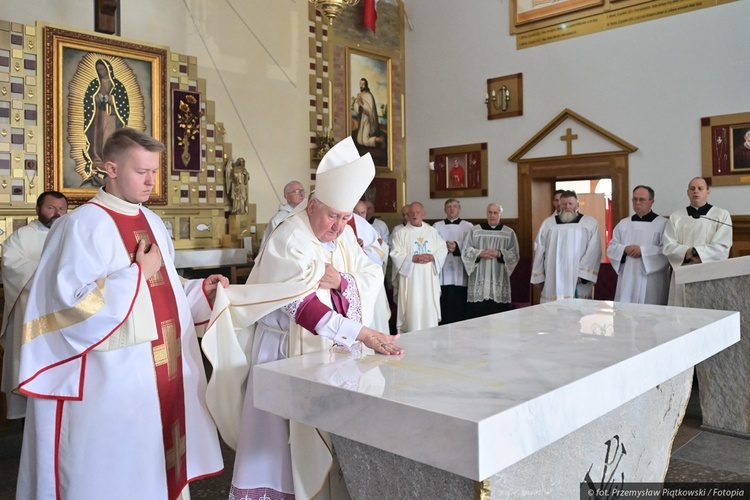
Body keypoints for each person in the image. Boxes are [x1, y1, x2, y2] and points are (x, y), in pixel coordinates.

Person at [16, 128, 226, 499]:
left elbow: (165, 289)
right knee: (110, 475)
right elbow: (68, 310)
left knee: (151, 470)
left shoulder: (153, 222)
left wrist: (199, 292)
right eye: (140, 171)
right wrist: (134, 276)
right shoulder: (80, 226)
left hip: (156, 378)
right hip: (107, 382)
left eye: (155, 172)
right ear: (110, 168)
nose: (150, 181)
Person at [201, 137, 403, 500]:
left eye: (346, 218)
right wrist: (363, 333)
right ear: (311, 205)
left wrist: (342, 281)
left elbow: (368, 273)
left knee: (321, 443)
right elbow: (305, 310)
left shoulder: (341, 237)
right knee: (277, 448)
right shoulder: (289, 237)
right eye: (333, 216)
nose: (340, 227)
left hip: (326, 354)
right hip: (283, 356)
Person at [0, 191, 68, 420]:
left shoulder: (70, 235)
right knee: (29, 367)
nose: (57, 213)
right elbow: (12, 265)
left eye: (62, 208)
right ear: (37, 209)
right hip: (30, 314)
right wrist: (53, 275)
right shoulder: (22, 237)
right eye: (51, 208)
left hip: (64, 316)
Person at [663, 177, 732, 306]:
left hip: (709, 270)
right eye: (692, 188)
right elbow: (668, 245)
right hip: (683, 269)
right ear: (687, 192)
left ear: (708, 192)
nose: (696, 191)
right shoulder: (676, 217)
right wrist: (687, 252)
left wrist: (698, 252)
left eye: (700, 188)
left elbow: (723, 246)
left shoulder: (721, 215)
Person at [531, 190, 601, 303]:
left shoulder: (589, 224)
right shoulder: (548, 224)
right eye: (564, 204)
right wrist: (539, 276)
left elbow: (594, 250)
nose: (567, 207)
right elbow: (539, 249)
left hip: (576, 278)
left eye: (570, 204)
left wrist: (583, 274)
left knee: (577, 314)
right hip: (552, 276)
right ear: (559, 205)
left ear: (577, 205)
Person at [390, 202, 448, 332]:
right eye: (412, 213)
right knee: (412, 308)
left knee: (428, 307)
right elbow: (395, 253)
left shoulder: (432, 232)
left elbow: (442, 248)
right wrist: (412, 258)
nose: (415, 215)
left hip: (428, 278)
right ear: (408, 216)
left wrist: (433, 257)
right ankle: (411, 332)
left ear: (423, 214)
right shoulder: (401, 234)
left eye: (417, 212)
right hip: (411, 279)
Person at [607, 185, 670, 305]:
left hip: (652, 280)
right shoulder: (623, 224)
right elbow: (612, 247)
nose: (637, 203)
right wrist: (624, 249)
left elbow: (667, 251)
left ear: (651, 202)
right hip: (628, 278)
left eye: (642, 200)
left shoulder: (663, 224)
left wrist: (643, 251)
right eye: (634, 199)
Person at [462, 203, 520, 317]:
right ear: (486, 213)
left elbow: (514, 255)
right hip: (479, 277)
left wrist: (499, 253)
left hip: (499, 277)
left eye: (495, 213)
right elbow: (466, 251)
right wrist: (479, 253)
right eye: (490, 212)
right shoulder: (475, 231)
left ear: (500, 215)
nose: (492, 215)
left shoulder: (508, 233)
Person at [82, 58, 129, 186]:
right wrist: (96, 98)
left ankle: (109, 159)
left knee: (108, 137)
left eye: (102, 69)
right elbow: (88, 100)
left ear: (108, 69)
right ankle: (97, 159)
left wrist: (110, 99)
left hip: (112, 117)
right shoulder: (94, 84)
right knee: (97, 138)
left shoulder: (117, 86)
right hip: (98, 116)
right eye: (98, 70)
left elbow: (123, 103)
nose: (101, 72)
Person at [433, 198, 473, 324]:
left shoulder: (468, 226)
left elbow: (471, 246)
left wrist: (457, 246)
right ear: (445, 209)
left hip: (460, 267)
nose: (452, 209)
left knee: (458, 300)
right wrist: (443, 247)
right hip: (443, 268)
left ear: (459, 209)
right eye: (449, 206)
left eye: (454, 206)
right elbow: (433, 244)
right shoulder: (436, 226)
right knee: (444, 298)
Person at [260, 180, 305, 248]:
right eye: (297, 191)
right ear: (287, 197)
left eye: (302, 191)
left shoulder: (306, 216)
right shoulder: (278, 220)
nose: (302, 195)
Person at [352, 77, 384, 148]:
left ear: (366, 85)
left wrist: (362, 104)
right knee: (359, 141)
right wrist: (358, 104)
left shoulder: (369, 96)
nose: (361, 86)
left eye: (363, 84)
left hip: (368, 120)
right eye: (360, 84)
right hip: (362, 119)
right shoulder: (360, 95)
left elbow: (370, 110)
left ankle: (379, 140)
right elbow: (355, 107)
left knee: (365, 141)